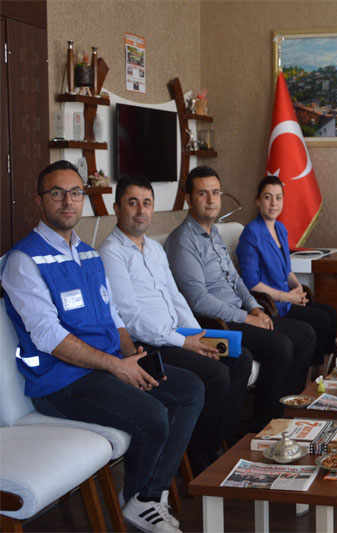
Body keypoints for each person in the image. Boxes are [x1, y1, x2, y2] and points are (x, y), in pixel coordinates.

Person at [1, 161, 203, 533]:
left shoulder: (90, 256)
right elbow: (49, 337)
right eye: (57, 193)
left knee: (190, 389)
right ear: (39, 201)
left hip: (107, 367)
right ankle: (138, 501)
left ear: (83, 200)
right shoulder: (23, 260)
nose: (68, 201)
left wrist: (130, 353)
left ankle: (148, 495)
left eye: (75, 193)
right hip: (62, 383)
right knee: (153, 415)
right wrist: (115, 366)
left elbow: (114, 318)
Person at [99, 174, 253, 474]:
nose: (141, 210)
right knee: (216, 375)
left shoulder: (154, 250)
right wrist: (186, 342)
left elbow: (176, 298)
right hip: (149, 346)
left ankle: (220, 441)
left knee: (240, 358)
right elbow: (130, 317)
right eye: (133, 203)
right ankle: (199, 455)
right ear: (117, 208)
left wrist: (198, 334)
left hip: (180, 335)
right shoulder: (110, 253)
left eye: (147, 203)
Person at [165, 165, 315, 431]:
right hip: (216, 322)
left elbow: (235, 279)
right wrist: (245, 317)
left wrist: (255, 308)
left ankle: (283, 413)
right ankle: (263, 426)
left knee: (305, 333)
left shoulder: (215, 234)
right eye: (203, 194)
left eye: (215, 193)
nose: (211, 200)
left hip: (241, 314)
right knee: (280, 346)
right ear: (188, 198)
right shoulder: (182, 241)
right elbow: (198, 299)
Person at [236, 175, 337, 375]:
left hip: (288, 298)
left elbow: (287, 269)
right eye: (268, 197)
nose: (274, 203)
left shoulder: (281, 229)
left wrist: (297, 287)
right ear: (258, 200)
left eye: (278, 197)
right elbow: (251, 283)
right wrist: (288, 296)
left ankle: (322, 372)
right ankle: (312, 379)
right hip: (272, 305)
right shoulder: (251, 233)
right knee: (321, 320)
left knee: (330, 314)